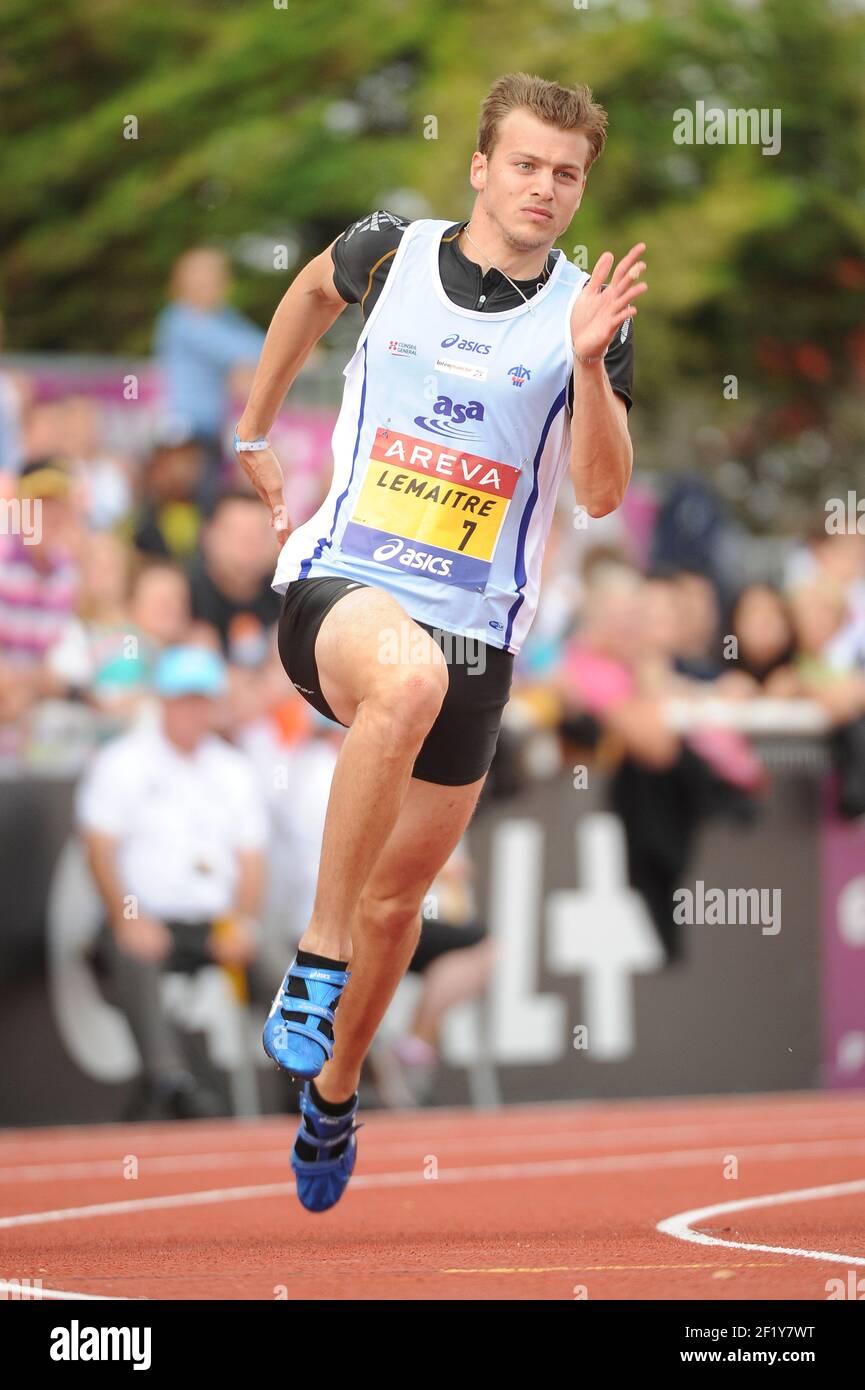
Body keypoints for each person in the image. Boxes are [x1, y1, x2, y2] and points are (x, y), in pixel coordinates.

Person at [234, 72, 644, 1212]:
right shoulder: (390, 250)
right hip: (344, 589)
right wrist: (255, 425)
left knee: (397, 905)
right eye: (524, 164)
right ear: (480, 166)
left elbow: (602, 496)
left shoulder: (588, 313)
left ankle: (339, 1086)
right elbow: (311, 293)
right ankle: (313, 963)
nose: (545, 189)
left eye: (566, 174)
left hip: (479, 637)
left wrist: (590, 366)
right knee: (400, 681)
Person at [76, 644, 270, 1120]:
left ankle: (319, 1080)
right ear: (163, 700)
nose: (193, 710)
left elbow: (252, 859)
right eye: (184, 698)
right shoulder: (122, 760)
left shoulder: (233, 768)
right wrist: (128, 917)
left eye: (202, 699)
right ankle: (168, 1079)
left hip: (212, 924)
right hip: (143, 918)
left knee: (279, 967)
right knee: (133, 954)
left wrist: (242, 921)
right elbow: (99, 850)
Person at [153, 248, 265, 510]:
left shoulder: (222, 316)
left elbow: (255, 345)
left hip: (211, 431)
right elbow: (239, 348)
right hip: (183, 434)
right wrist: (296, 351)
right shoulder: (179, 320)